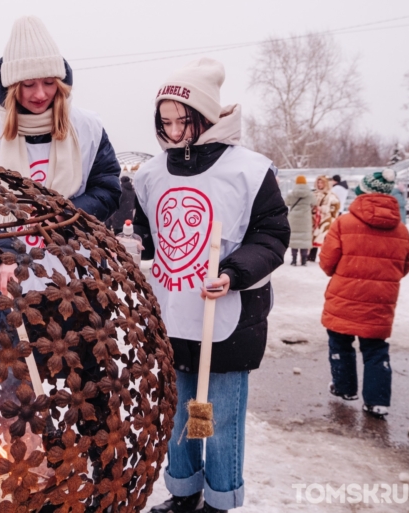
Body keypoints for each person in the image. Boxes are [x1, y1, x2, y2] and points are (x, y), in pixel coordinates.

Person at [133, 58, 289, 513]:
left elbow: (272, 235)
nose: (175, 131)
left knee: (215, 417)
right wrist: (132, 242)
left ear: (206, 117)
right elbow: (147, 237)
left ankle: (220, 500)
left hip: (227, 320)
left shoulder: (250, 169)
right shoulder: (150, 175)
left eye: (185, 120)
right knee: (179, 413)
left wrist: (234, 272)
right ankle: (183, 492)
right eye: (166, 122)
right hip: (171, 314)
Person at [0, 15, 121, 294]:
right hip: (14, 280)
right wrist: (0, 256)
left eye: (49, 82)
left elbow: (108, 189)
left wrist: (67, 215)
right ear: (13, 87)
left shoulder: (88, 128)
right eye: (28, 85)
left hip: (78, 273)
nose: (40, 94)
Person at [320, 169, 409, 418]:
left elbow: (327, 262)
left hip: (344, 296)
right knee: (375, 349)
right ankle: (377, 401)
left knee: (340, 341)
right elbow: (406, 265)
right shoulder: (401, 230)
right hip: (381, 300)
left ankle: (344, 387)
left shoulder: (344, 223)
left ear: (363, 192)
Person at [285, 175, 316, 266]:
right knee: (304, 239)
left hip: (293, 218)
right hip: (305, 218)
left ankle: (294, 260)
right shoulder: (310, 194)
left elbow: (286, 202)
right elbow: (314, 203)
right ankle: (304, 260)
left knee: (294, 238)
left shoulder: (292, 194)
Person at [307, 175, 340, 263]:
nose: (319, 184)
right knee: (313, 238)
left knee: (324, 240)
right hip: (314, 219)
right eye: (318, 182)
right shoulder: (313, 194)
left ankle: (325, 257)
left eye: (321, 182)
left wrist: (323, 209)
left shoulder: (331, 195)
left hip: (325, 220)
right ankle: (311, 257)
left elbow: (335, 208)